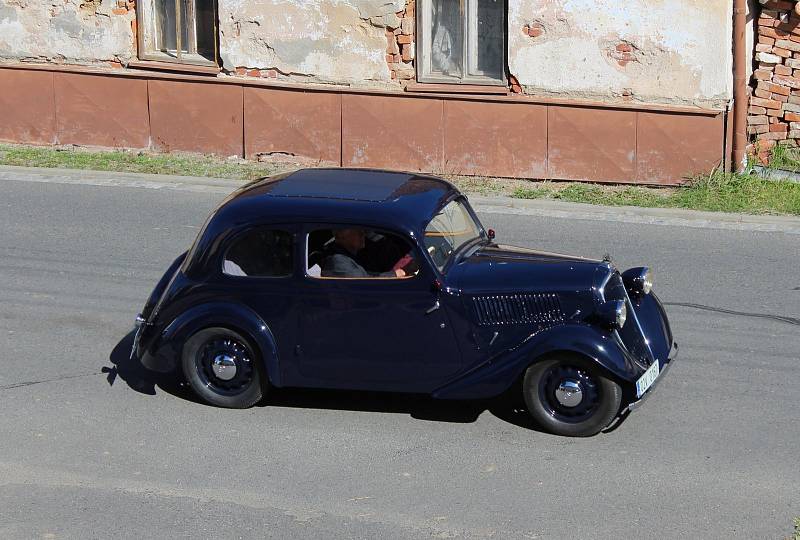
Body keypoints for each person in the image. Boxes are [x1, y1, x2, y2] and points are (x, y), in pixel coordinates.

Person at [321, 229, 409, 278]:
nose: (362, 233)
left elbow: (367, 274)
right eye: (357, 230)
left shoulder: (353, 254)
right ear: (340, 236)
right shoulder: (337, 260)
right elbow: (364, 280)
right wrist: (395, 274)